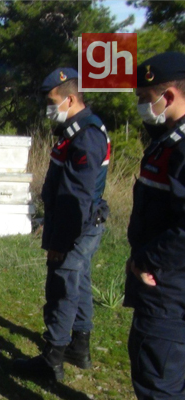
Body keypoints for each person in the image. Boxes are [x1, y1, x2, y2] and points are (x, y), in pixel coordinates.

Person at [14, 68, 110, 381]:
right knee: (79, 281)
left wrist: (61, 242)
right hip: (74, 224)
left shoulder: (87, 135)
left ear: (70, 98)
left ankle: (52, 358)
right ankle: (79, 347)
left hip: (76, 227)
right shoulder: (72, 131)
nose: (48, 108)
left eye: (52, 101)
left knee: (62, 285)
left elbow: (78, 198)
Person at [125, 51, 185, 399]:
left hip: (168, 289)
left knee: (157, 383)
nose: (142, 108)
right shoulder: (166, 139)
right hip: (163, 284)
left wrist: (147, 260)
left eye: (146, 100)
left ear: (170, 96)